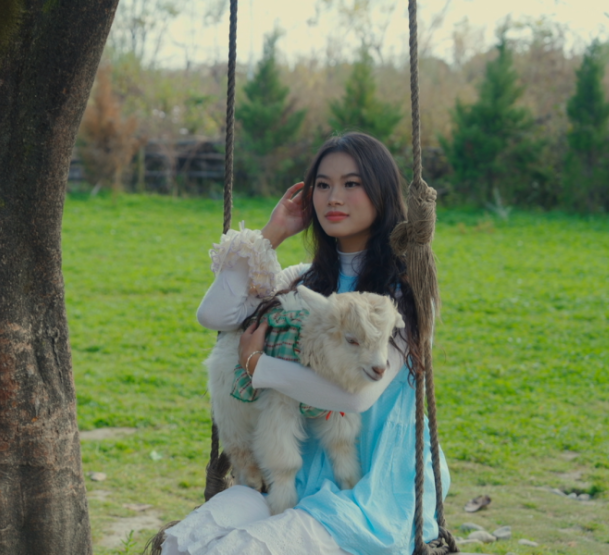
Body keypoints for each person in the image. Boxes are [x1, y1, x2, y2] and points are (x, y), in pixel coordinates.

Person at [163, 133, 448, 555]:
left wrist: (259, 366)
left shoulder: (402, 292)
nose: (334, 197)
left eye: (352, 184)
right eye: (323, 184)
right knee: (182, 543)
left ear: (381, 193)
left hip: (367, 490)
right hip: (291, 476)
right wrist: (273, 233)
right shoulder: (302, 282)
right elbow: (215, 314)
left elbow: (358, 396)